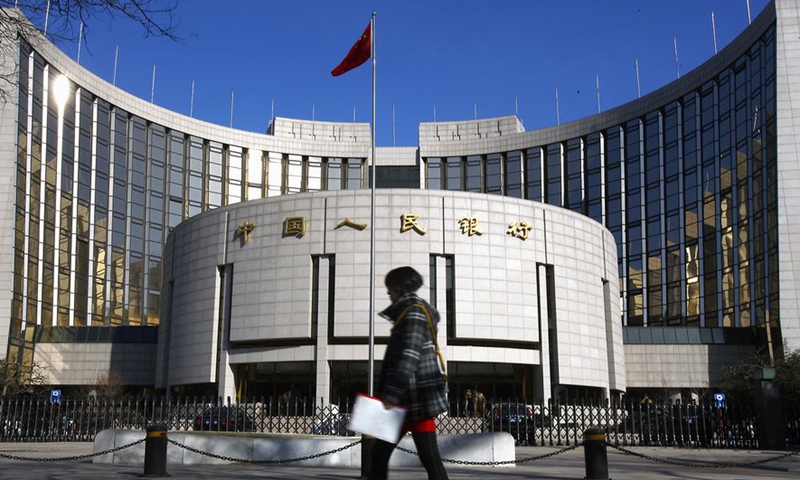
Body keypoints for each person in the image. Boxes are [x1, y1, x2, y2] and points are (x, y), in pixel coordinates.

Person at [368, 266, 449, 480]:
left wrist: (391, 394)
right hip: (410, 400)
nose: (388, 293)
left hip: (412, 400)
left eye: (390, 288)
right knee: (384, 455)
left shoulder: (413, 312)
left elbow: (409, 356)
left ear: (399, 287)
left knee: (427, 458)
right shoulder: (411, 311)